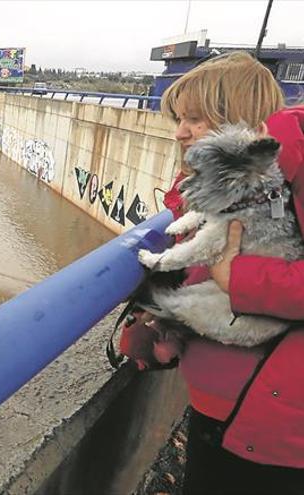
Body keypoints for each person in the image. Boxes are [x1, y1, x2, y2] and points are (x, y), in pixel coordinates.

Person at [121, 51, 304, 494]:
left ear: (239, 118)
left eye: (195, 119)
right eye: (180, 118)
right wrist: (165, 318)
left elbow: (238, 268)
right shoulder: (231, 182)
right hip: (226, 415)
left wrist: (234, 277)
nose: (180, 132)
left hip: (272, 432)